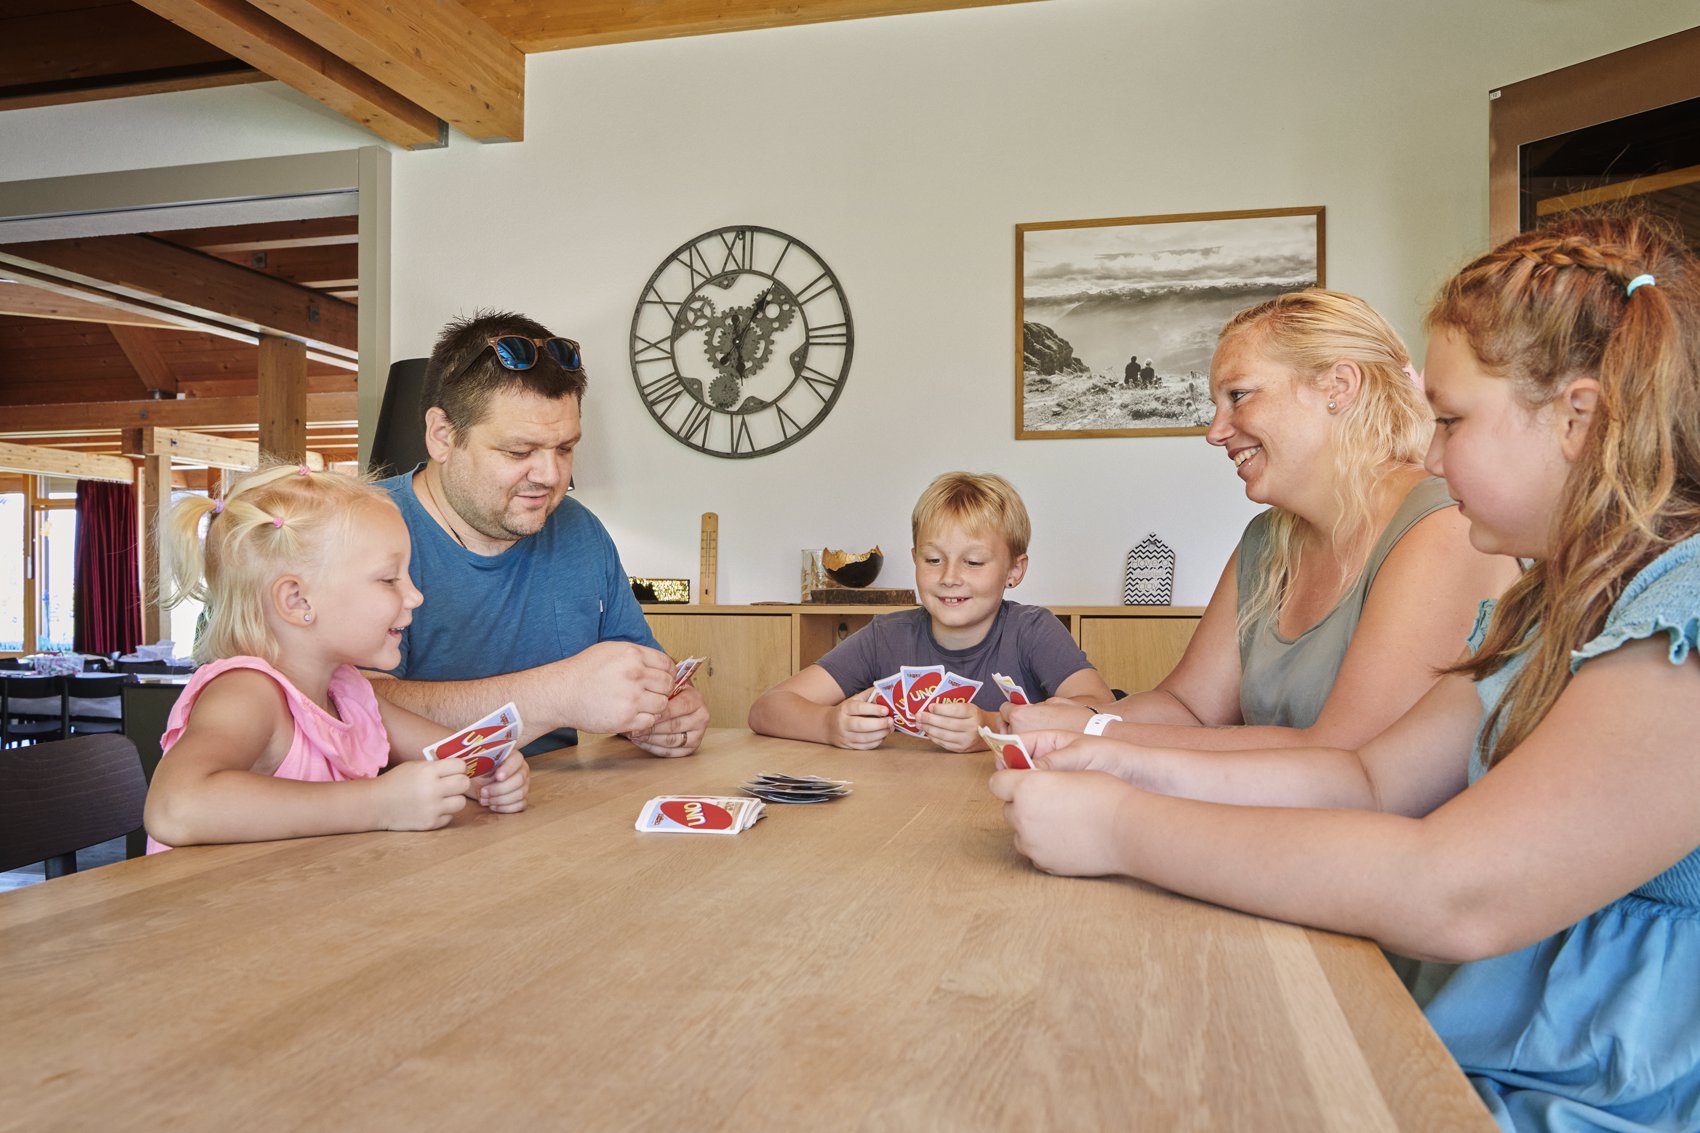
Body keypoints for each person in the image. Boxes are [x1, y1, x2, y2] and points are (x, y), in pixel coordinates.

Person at [994, 215, 1700, 1132]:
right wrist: (1115, 757)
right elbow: (1367, 777)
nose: (1434, 455)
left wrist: (1124, 827)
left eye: (1451, 420)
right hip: (1474, 1051)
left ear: (1578, 416)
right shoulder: (1541, 609)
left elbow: (1454, 890)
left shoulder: (1677, 618)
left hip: (1590, 1097)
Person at [1004, 289, 1518, 754]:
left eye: (1239, 396)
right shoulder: (1267, 538)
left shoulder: (1442, 525)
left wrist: (1097, 733)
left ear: (1338, 386)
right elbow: (1189, 708)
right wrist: (1076, 716)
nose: (1215, 431)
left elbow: (1344, 758)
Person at [370, 311, 708, 758]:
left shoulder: (580, 531)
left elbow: (638, 682)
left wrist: (664, 714)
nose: (551, 477)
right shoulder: (361, 530)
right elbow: (342, 706)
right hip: (417, 815)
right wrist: (557, 695)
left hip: (554, 809)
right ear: (441, 435)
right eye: (519, 451)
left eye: (565, 448)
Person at [143, 464, 530, 850]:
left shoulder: (347, 690)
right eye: (389, 579)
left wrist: (487, 771)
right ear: (297, 601)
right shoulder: (245, 693)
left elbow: (455, 755)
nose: (415, 596)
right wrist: (379, 804)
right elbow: (174, 808)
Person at [748, 472, 1113, 751]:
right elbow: (767, 708)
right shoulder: (886, 636)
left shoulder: (1033, 631)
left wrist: (993, 728)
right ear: (914, 560)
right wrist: (828, 724)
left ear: (1014, 571)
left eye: (973, 562)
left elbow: (1101, 710)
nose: (950, 577)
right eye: (933, 559)